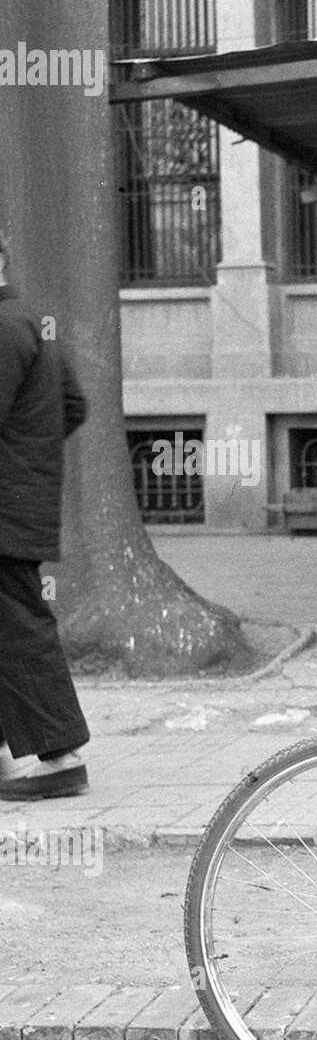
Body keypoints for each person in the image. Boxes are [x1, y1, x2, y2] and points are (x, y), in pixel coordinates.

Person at [0, 229, 91, 801]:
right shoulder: (31, 324)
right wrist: (30, 458)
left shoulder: (3, 328)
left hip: (4, 514)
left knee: (21, 632)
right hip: (19, 507)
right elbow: (73, 407)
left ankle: (60, 756)